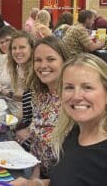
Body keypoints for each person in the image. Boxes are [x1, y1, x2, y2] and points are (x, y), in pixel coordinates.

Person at [11, 53, 107, 185]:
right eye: (69, 87)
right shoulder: (74, 134)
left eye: (87, 87)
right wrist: (35, 184)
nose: (76, 96)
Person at [18, 36, 69, 178]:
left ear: (65, 61)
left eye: (51, 59)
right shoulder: (39, 95)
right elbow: (37, 140)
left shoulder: (73, 101)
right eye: (38, 60)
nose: (43, 65)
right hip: (36, 172)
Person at [7, 30, 34, 151]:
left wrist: (15, 126)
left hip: (34, 133)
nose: (17, 51)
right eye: (14, 48)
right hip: (26, 124)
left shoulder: (36, 73)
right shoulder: (21, 69)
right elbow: (25, 105)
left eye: (22, 47)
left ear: (32, 49)